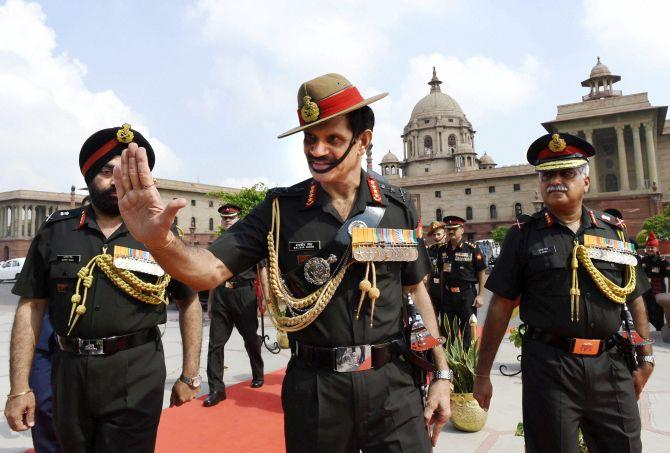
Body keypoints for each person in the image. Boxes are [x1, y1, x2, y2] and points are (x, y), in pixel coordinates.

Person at [112, 73, 452, 452]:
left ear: (364, 142)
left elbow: (416, 292)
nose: (317, 151)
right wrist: (159, 240)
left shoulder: (397, 206)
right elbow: (206, 270)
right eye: (310, 139)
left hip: (394, 386)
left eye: (332, 139)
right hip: (316, 390)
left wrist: (441, 372)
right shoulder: (279, 211)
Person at [4, 124, 203, 453]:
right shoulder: (57, 231)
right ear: (88, 177)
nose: (117, 181)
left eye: (126, 172)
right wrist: (19, 387)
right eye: (107, 172)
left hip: (136, 370)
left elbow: (189, 301)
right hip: (69, 372)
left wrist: (190, 374)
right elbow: (31, 307)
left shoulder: (160, 233)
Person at [474, 133, 654, 453]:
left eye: (566, 173)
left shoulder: (611, 231)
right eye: (547, 175)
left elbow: (634, 293)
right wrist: (482, 373)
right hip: (550, 366)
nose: (556, 181)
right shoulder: (523, 236)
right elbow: (500, 307)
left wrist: (646, 356)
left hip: (611, 364)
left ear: (585, 181)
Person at [204, 203, 264, 407]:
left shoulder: (250, 241)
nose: (227, 221)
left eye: (231, 218)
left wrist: (264, 297)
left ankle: (258, 373)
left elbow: (261, 270)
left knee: (250, 339)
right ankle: (216, 389)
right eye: (225, 218)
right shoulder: (217, 243)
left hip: (244, 294)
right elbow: (213, 274)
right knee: (215, 344)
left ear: (238, 218)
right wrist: (211, 302)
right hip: (221, 294)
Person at [437, 215, 486, 350]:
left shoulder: (471, 248)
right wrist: (441, 294)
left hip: (467, 295)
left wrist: (481, 295)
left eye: (454, 228)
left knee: (467, 332)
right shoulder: (442, 250)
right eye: (448, 229)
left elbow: (481, 270)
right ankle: (447, 367)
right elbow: (441, 273)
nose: (451, 231)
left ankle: (465, 367)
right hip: (448, 296)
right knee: (446, 332)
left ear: (462, 230)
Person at [640, 230, 668, 330]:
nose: (650, 249)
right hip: (646, 290)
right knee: (647, 311)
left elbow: (667, 274)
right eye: (648, 247)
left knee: (658, 312)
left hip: (657, 290)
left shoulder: (661, 261)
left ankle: (659, 330)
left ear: (656, 248)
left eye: (652, 247)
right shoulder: (643, 260)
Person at [426, 221, 446, 333]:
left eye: (438, 234)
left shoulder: (449, 249)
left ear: (445, 234)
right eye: (434, 235)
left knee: (445, 319)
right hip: (433, 287)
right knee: (433, 317)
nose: (436, 237)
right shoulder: (430, 250)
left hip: (445, 288)